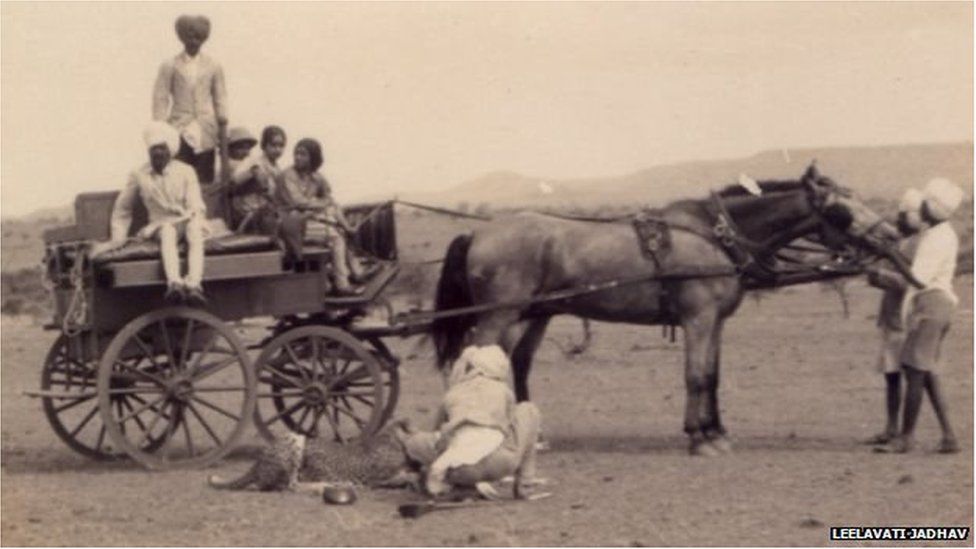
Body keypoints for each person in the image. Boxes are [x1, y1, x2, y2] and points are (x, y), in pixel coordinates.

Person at [874, 178, 963, 454]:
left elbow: (920, 279)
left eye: (925, 202)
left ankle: (906, 438)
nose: (921, 206)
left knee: (914, 369)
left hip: (931, 304)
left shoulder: (937, 238)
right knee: (925, 371)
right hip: (932, 305)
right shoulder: (938, 234)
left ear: (933, 208)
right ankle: (949, 438)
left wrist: (890, 255)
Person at [395, 345, 544, 499]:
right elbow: (509, 424)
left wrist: (414, 437)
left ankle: (433, 477)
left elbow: (438, 433)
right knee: (528, 410)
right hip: (501, 462)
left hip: (458, 470)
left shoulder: (452, 393)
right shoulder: (504, 391)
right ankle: (525, 484)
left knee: (419, 441)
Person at [94, 122, 208, 306]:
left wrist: (193, 215)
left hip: (187, 219)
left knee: (195, 229)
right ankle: (174, 284)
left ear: (170, 151)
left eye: (162, 148)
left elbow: (195, 202)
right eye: (153, 149)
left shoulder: (186, 171)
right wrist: (118, 239)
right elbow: (123, 209)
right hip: (160, 224)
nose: (158, 154)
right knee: (167, 231)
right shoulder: (139, 174)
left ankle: (194, 285)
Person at [273, 138, 371, 296]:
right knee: (335, 237)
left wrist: (344, 224)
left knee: (340, 229)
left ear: (313, 157)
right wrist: (320, 203)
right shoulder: (287, 176)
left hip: (307, 220)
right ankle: (342, 284)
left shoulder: (317, 177)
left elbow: (330, 200)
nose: (298, 157)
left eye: (303, 154)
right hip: (289, 224)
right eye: (296, 153)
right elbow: (298, 202)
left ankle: (354, 272)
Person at [864, 188, 923, 444]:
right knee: (891, 376)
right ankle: (891, 428)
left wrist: (878, 276)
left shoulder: (918, 245)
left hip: (903, 319)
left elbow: (911, 282)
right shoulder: (903, 243)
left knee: (904, 376)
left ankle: (902, 432)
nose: (898, 220)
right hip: (891, 318)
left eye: (902, 215)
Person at [152, 14, 228, 187]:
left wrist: (222, 121)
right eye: (190, 36)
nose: (194, 41)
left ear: (204, 38)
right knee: (179, 173)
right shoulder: (170, 64)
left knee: (205, 177)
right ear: (182, 36)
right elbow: (160, 96)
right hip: (179, 126)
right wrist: (160, 127)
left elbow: (220, 95)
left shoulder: (213, 65)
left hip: (205, 128)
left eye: (199, 37)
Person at [229, 126, 286, 233]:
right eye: (273, 145)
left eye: (281, 146)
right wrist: (252, 173)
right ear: (264, 146)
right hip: (247, 211)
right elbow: (235, 180)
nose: (277, 149)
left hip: (266, 209)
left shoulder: (277, 169)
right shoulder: (254, 161)